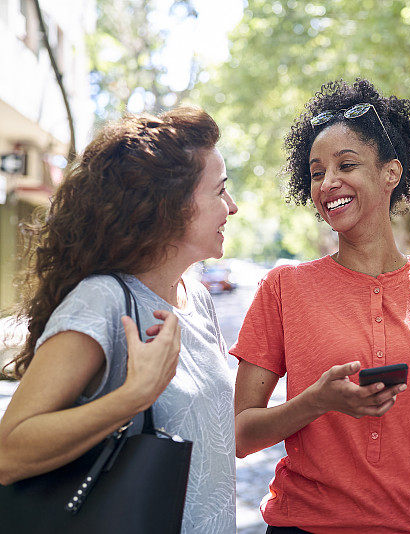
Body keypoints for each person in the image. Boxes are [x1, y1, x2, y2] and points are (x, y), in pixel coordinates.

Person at [232, 79, 410, 533]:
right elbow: (240, 435)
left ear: (391, 173)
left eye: (345, 165)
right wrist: (315, 403)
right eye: (316, 172)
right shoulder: (283, 287)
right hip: (306, 525)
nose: (328, 182)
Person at [0, 107, 239, 533]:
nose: (232, 207)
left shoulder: (197, 299)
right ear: (170, 205)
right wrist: (133, 397)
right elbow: (9, 455)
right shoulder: (102, 301)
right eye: (219, 191)